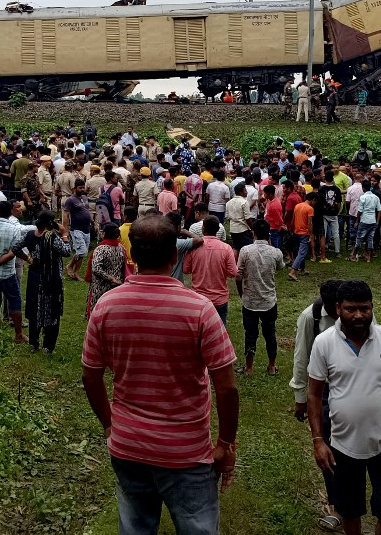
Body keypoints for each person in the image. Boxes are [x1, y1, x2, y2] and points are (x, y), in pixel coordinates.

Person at [81, 215, 239, 534]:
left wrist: (111, 425)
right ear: (174, 255)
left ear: (133, 256)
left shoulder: (107, 306)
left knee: (136, 527)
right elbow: (227, 388)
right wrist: (226, 443)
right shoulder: (200, 309)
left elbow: (90, 376)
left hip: (127, 445)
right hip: (188, 451)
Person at [307, 280, 381, 535]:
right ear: (338, 309)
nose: (359, 315)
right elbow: (314, 394)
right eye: (351, 309)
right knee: (350, 514)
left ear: (373, 307)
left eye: (365, 308)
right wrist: (319, 440)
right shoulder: (324, 343)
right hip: (343, 446)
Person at [289, 280, 344, 531]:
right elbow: (301, 358)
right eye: (337, 309)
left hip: (353, 388)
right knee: (329, 445)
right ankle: (336, 506)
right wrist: (301, 398)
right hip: (323, 391)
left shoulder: (357, 313)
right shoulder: (309, 318)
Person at [13, 211, 71, 354]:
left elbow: (15, 248)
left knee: (34, 308)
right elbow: (67, 251)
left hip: (35, 276)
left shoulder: (30, 235)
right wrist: (64, 235)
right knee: (52, 309)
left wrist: (28, 259)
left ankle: (34, 343)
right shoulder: (52, 238)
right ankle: (48, 346)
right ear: (51, 223)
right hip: (51, 278)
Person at [236, 220, 285, 375]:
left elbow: (238, 276)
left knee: (250, 334)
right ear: (268, 234)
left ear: (253, 233)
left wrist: (241, 293)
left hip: (249, 300)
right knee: (270, 333)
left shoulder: (245, 251)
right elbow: (280, 267)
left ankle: (249, 368)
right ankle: (271, 366)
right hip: (269, 300)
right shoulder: (276, 252)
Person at [0, 200, 29, 342]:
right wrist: (28, 259)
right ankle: (18, 335)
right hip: (8, 274)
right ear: (10, 212)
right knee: (15, 302)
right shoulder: (13, 229)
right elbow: (14, 252)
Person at [183, 215, 238, 325]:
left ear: (203, 229)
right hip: (219, 299)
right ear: (218, 230)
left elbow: (186, 269)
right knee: (219, 334)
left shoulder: (195, 247)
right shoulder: (226, 248)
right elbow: (233, 272)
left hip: (199, 298)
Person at [84, 222, 127, 317]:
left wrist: (109, 278)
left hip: (100, 286)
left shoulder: (101, 249)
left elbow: (96, 268)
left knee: (98, 312)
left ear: (104, 233)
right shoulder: (121, 248)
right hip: (117, 286)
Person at [62, 178, 92, 281]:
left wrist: (94, 222)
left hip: (87, 229)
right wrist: (65, 231)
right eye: (80, 188)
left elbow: (87, 211)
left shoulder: (84, 197)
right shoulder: (70, 200)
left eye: (83, 187)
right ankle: (70, 266)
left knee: (83, 253)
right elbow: (65, 215)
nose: (82, 189)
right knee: (82, 251)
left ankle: (76, 272)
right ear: (75, 188)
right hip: (76, 229)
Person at [288, 191, 316, 282]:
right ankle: (293, 271)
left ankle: (302, 269)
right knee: (302, 253)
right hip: (304, 233)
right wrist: (311, 235)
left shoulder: (297, 206)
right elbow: (310, 223)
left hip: (296, 232)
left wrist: (291, 229)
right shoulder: (310, 209)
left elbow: (293, 219)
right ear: (313, 200)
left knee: (299, 252)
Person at [352, 179, 381, 263]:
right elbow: (380, 210)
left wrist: (357, 221)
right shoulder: (375, 197)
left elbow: (360, 211)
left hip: (364, 220)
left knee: (359, 238)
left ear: (363, 188)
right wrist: (377, 221)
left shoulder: (363, 197)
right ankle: (368, 256)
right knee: (370, 238)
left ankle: (354, 255)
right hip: (372, 220)